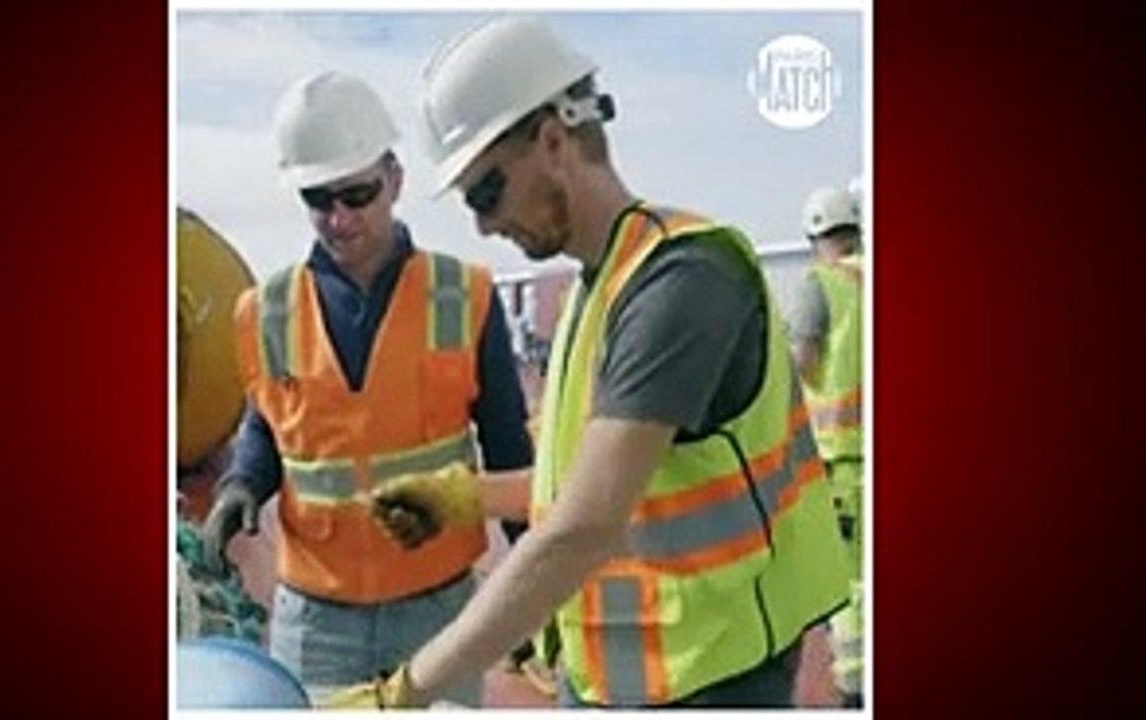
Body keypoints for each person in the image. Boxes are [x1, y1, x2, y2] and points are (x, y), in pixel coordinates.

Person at [327, 15, 851, 709]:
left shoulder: (684, 281)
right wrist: (463, 496)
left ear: (553, 140)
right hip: (621, 680)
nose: (482, 224)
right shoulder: (599, 289)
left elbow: (584, 525)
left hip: (710, 680)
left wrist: (405, 690)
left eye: (487, 191)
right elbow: (567, 481)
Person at [198, 70, 534, 707]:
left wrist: (532, 586)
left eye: (357, 194)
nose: (339, 218)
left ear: (396, 181)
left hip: (439, 610)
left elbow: (509, 450)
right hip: (317, 620)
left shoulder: (466, 296)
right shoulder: (264, 311)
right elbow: (269, 427)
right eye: (318, 198)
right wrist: (242, 483)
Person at [789, 185, 865, 708]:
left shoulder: (821, 284)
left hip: (846, 459)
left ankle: (856, 684)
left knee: (852, 580)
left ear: (815, 236)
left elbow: (803, 363)